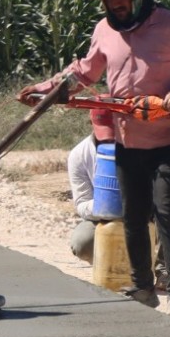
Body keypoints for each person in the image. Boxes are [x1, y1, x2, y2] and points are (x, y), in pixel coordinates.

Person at [19, 0, 170, 321]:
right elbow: (83, 72)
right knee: (134, 215)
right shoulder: (105, 30)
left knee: (168, 212)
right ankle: (142, 287)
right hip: (129, 139)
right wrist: (46, 90)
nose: (117, 3)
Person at [66, 107, 116, 263]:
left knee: (168, 215)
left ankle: (163, 272)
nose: (109, 139)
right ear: (91, 123)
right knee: (82, 242)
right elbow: (81, 204)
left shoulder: (142, 146)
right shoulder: (79, 155)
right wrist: (107, 205)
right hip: (102, 218)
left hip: (142, 215)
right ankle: (109, 267)